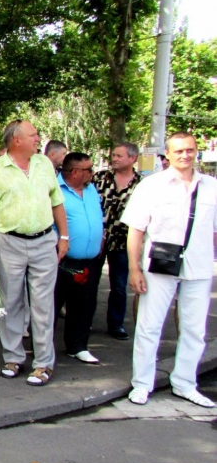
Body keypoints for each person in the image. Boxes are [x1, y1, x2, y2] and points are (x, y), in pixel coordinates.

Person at [123, 132, 217, 408]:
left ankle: (185, 382)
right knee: (149, 326)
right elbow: (135, 230)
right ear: (168, 154)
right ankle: (142, 384)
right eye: (179, 151)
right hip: (159, 265)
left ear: (197, 152)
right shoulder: (152, 186)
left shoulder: (211, 186)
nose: (185, 156)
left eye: (190, 150)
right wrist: (134, 268)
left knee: (194, 329)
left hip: (198, 266)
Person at [0, 119, 69, 387]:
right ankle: (13, 357)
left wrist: (63, 236)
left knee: (42, 305)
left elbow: (57, 201)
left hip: (44, 241)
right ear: (17, 140)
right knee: (8, 302)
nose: (38, 139)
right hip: (9, 243)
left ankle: (43, 364)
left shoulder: (44, 164)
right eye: (33, 135)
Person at [54, 152, 103, 364]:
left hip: (90, 259)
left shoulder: (91, 189)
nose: (92, 173)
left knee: (85, 304)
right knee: (52, 305)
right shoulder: (54, 189)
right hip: (61, 260)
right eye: (89, 169)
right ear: (75, 172)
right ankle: (44, 350)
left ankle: (78, 346)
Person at [92, 142, 143, 340]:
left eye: (119, 155)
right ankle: (84, 320)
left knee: (119, 285)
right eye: (113, 155)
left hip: (124, 242)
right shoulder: (100, 178)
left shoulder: (141, 184)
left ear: (132, 158)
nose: (114, 158)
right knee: (90, 282)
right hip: (97, 239)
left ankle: (116, 324)